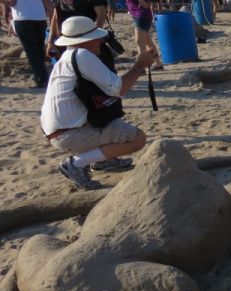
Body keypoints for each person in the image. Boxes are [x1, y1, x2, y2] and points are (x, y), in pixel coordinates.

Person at [41, 16, 154, 189]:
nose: (101, 41)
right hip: (70, 133)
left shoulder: (67, 57)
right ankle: (76, 164)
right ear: (87, 40)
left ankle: (103, 160)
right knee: (137, 139)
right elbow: (119, 88)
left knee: (114, 123)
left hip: (59, 130)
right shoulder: (83, 55)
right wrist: (139, 66)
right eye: (97, 37)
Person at [48, 0, 116, 71]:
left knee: (101, 72)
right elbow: (55, 17)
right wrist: (50, 41)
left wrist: (92, 38)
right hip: (68, 43)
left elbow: (101, 15)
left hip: (91, 42)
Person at [3, 0, 52, 88]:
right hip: (40, 19)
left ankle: (42, 79)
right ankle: (43, 78)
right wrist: (52, 19)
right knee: (39, 50)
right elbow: (47, 2)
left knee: (31, 52)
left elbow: (12, 2)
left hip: (23, 19)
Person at [126, 0, 163, 70]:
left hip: (141, 17)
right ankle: (159, 64)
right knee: (148, 43)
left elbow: (145, 4)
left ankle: (141, 68)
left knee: (140, 42)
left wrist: (144, 3)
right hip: (143, 16)